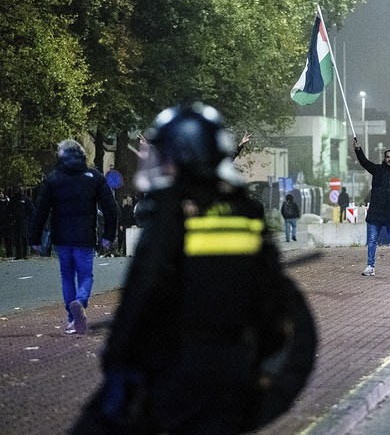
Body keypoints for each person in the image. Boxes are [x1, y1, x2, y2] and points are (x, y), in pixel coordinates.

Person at [71, 103, 316, 434]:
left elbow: (145, 289)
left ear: (181, 154)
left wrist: (119, 358)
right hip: (234, 372)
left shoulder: (171, 210)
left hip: (178, 368)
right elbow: (274, 307)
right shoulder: (244, 210)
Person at [28, 140, 119, 334]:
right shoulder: (93, 177)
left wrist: (34, 239)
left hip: (61, 238)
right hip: (85, 237)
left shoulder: (53, 179)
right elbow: (111, 209)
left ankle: (71, 319)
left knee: (67, 276)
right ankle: (81, 300)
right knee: (85, 275)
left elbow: (40, 211)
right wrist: (108, 235)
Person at [353, 139, 390, 278]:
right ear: (385, 158)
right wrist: (358, 150)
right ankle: (370, 266)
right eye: (388, 157)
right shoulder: (377, 170)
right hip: (376, 212)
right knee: (372, 240)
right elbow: (364, 162)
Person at [9, 186, 33, 260]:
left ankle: (25, 253)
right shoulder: (13, 199)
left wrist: (29, 218)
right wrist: (10, 219)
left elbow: (30, 209)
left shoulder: (26, 199)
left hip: (24, 220)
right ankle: (18, 254)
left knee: (23, 236)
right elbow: (9, 209)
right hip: (15, 220)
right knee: (16, 237)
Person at [0, 189, 12, 257]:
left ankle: (9, 254)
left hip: (7, 223)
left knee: (8, 240)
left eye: (2, 193)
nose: (1, 194)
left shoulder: (8, 201)